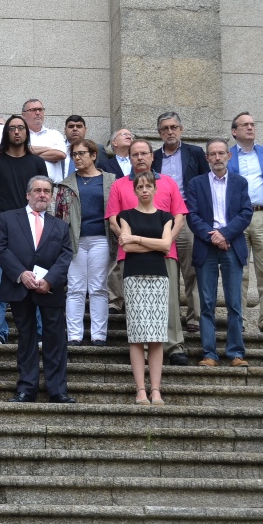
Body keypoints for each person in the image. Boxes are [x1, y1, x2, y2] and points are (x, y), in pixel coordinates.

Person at [106, 139, 191, 366]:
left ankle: (173, 346)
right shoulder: (119, 185)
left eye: (144, 153)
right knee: (138, 305)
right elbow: (114, 221)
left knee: (169, 302)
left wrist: (164, 243)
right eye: (135, 154)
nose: (140, 158)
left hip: (165, 254)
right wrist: (145, 244)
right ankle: (141, 348)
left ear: (153, 157)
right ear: (129, 158)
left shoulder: (169, 183)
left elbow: (179, 218)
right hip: (131, 256)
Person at [0, 175, 75, 404]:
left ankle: (57, 390)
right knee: (27, 338)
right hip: (20, 287)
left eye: (46, 191)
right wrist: (20, 273)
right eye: (38, 190)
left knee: (55, 339)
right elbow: (1, 249)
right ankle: (26, 389)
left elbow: (66, 255)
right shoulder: (9, 218)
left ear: (51, 196)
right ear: (28, 194)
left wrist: (50, 279)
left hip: (50, 289)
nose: (42, 194)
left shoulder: (60, 225)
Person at [187, 139, 253, 368]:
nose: (217, 157)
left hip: (232, 246)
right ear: (206, 158)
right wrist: (213, 236)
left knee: (234, 303)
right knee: (206, 303)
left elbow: (246, 213)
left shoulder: (240, 183)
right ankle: (209, 354)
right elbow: (192, 216)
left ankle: (235, 353)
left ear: (229, 156)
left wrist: (224, 234)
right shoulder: (196, 183)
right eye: (212, 154)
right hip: (206, 248)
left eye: (221, 153)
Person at [0, 114, 48, 346]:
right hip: (3, 227)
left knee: (36, 281)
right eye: (13, 128)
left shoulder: (37, 162)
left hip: (33, 227)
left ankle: (38, 333)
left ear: (26, 132)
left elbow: (43, 194)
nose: (17, 132)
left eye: (21, 128)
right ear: (6, 132)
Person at [116, 171, 173, 406]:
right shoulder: (125, 215)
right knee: (137, 336)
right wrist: (153, 245)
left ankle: (156, 390)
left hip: (159, 277)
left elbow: (166, 245)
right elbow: (126, 249)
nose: (145, 190)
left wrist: (137, 239)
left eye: (149, 186)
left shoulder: (165, 217)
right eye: (140, 187)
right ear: (135, 190)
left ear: (155, 189)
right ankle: (141, 390)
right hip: (134, 277)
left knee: (157, 337)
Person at [54, 139, 116, 346]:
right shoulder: (66, 183)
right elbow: (59, 215)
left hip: (101, 239)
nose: (78, 158)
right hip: (75, 240)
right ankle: (74, 335)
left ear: (93, 155)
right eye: (75, 154)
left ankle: (99, 334)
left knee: (98, 287)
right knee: (75, 288)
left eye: (82, 153)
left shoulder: (110, 180)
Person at [152, 112, 209, 333]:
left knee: (191, 268)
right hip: (160, 219)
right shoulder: (153, 157)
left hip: (187, 216)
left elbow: (206, 184)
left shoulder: (195, 153)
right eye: (165, 128)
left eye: (174, 127)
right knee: (167, 269)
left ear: (181, 129)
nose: (170, 131)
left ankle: (193, 317)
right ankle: (171, 316)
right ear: (159, 133)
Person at [228, 112, 263, 335]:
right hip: (237, 218)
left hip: (262, 215)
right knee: (240, 271)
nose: (250, 128)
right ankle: (239, 319)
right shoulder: (228, 155)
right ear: (234, 131)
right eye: (245, 125)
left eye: (252, 124)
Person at [98, 127, 134, 312]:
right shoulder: (105, 164)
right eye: (124, 134)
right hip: (117, 214)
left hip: (139, 214)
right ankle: (114, 299)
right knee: (116, 258)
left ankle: (132, 298)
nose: (129, 136)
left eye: (131, 135)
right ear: (114, 142)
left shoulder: (139, 161)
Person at [21, 98, 67, 182]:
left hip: (52, 189)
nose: (38, 113)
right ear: (23, 115)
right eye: (33, 110)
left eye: (40, 109)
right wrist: (49, 149)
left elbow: (60, 155)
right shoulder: (19, 135)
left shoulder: (54, 134)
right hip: (26, 188)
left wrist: (26, 156)